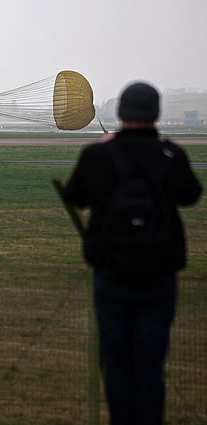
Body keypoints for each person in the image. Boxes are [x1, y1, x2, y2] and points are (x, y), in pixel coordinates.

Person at [63, 82, 202, 425]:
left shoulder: (99, 155)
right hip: (158, 275)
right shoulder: (171, 154)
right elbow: (191, 195)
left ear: (121, 113)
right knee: (151, 362)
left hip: (111, 273)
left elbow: (75, 197)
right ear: (155, 114)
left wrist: (101, 151)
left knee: (117, 359)